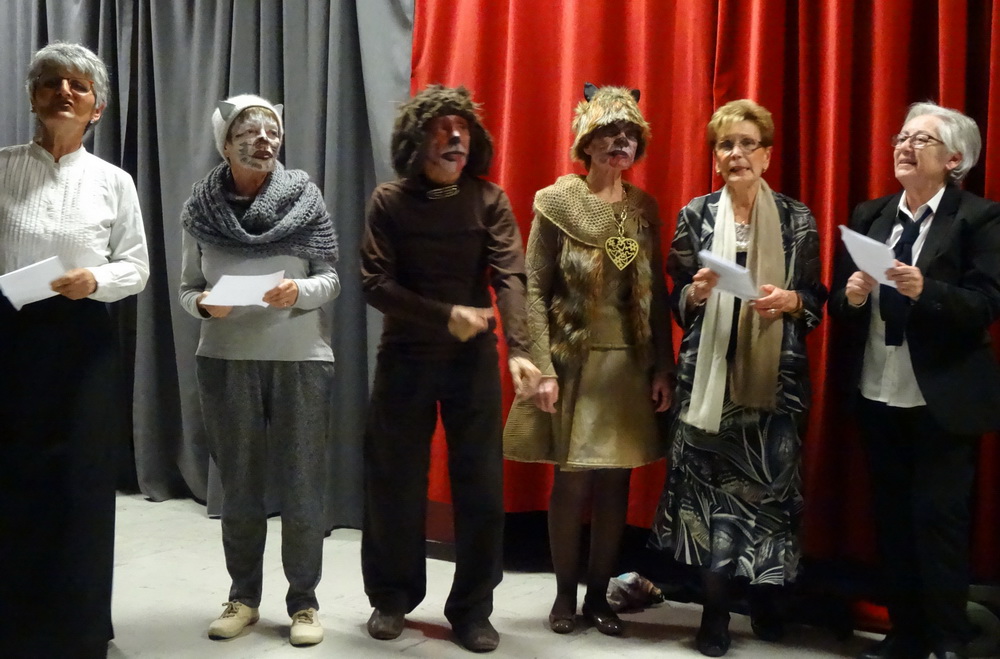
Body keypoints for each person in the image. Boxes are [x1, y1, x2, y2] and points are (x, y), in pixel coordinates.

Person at [360, 84, 538, 654]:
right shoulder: (389, 201)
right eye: (441, 128)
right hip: (406, 356)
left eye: (462, 128)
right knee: (395, 481)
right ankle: (392, 597)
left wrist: (521, 350)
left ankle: (473, 610)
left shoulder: (489, 198)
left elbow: (511, 276)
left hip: (470, 361)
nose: (455, 136)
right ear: (416, 140)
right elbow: (375, 284)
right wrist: (446, 316)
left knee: (480, 486)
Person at [648, 99, 827, 657]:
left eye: (748, 143)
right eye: (726, 144)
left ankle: (766, 600)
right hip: (708, 379)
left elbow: (816, 298)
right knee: (709, 500)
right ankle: (715, 613)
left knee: (769, 497)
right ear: (715, 156)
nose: (736, 153)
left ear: (766, 155)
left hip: (775, 382)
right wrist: (695, 294)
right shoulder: (695, 216)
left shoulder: (798, 220)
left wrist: (792, 301)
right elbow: (674, 296)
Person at [829, 102, 1000, 659]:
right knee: (893, 521)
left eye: (920, 140)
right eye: (901, 137)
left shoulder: (979, 218)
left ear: (954, 159)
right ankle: (904, 633)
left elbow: (985, 305)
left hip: (942, 398)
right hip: (877, 391)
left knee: (939, 523)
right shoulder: (872, 214)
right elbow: (840, 306)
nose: (904, 146)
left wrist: (927, 290)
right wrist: (852, 297)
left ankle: (948, 640)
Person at [503, 83, 673, 637]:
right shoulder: (556, 202)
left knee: (615, 484)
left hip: (627, 364)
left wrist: (662, 366)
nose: (620, 142)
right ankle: (563, 596)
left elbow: (653, 293)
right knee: (572, 481)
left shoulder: (642, 209)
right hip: (572, 361)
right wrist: (542, 367)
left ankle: (599, 597)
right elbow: (534, 288)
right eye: (608, 132)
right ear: (586, 141)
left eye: (629, 135)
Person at [0, 42, 149, 658]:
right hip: (10, 337)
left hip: (84, 343)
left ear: (97, 107)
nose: (65, 91)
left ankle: (80, 628)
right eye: (51, 82)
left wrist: (96, 279)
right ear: (33, 98)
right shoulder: (2, 167)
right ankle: (14, 624)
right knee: (14, 478)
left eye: (79, 85)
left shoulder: (114, 182)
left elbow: (135, 267)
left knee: (82, 482)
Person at [179, 94, 340, 647]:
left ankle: (305, 603)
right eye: (248, 132)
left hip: (301, 361)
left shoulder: (306, 199)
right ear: (225, 145)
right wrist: (204, 306)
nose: (263, 140)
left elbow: (330, 279)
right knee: (240, 488)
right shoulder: (201, 210)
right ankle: (243, 597)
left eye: (271, 131)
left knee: (303, 486)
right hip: (225, 361)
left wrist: (299, 291)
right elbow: (187, 290)